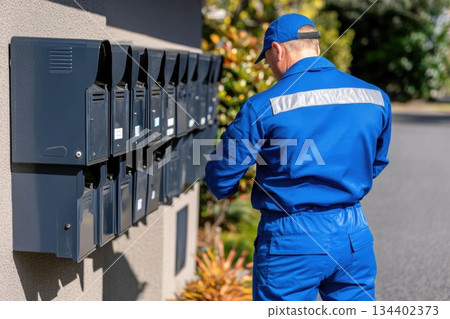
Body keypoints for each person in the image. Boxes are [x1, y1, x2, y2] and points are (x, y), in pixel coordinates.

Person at [205, 13, 391, 301]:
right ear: (314, 46)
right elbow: (376, 162)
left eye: (267, 59)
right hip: (354, 234)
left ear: (277, 50)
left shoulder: (262, 106)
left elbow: (220, 177)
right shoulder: (375, 97)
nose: (270, 68)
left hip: (290, 240)